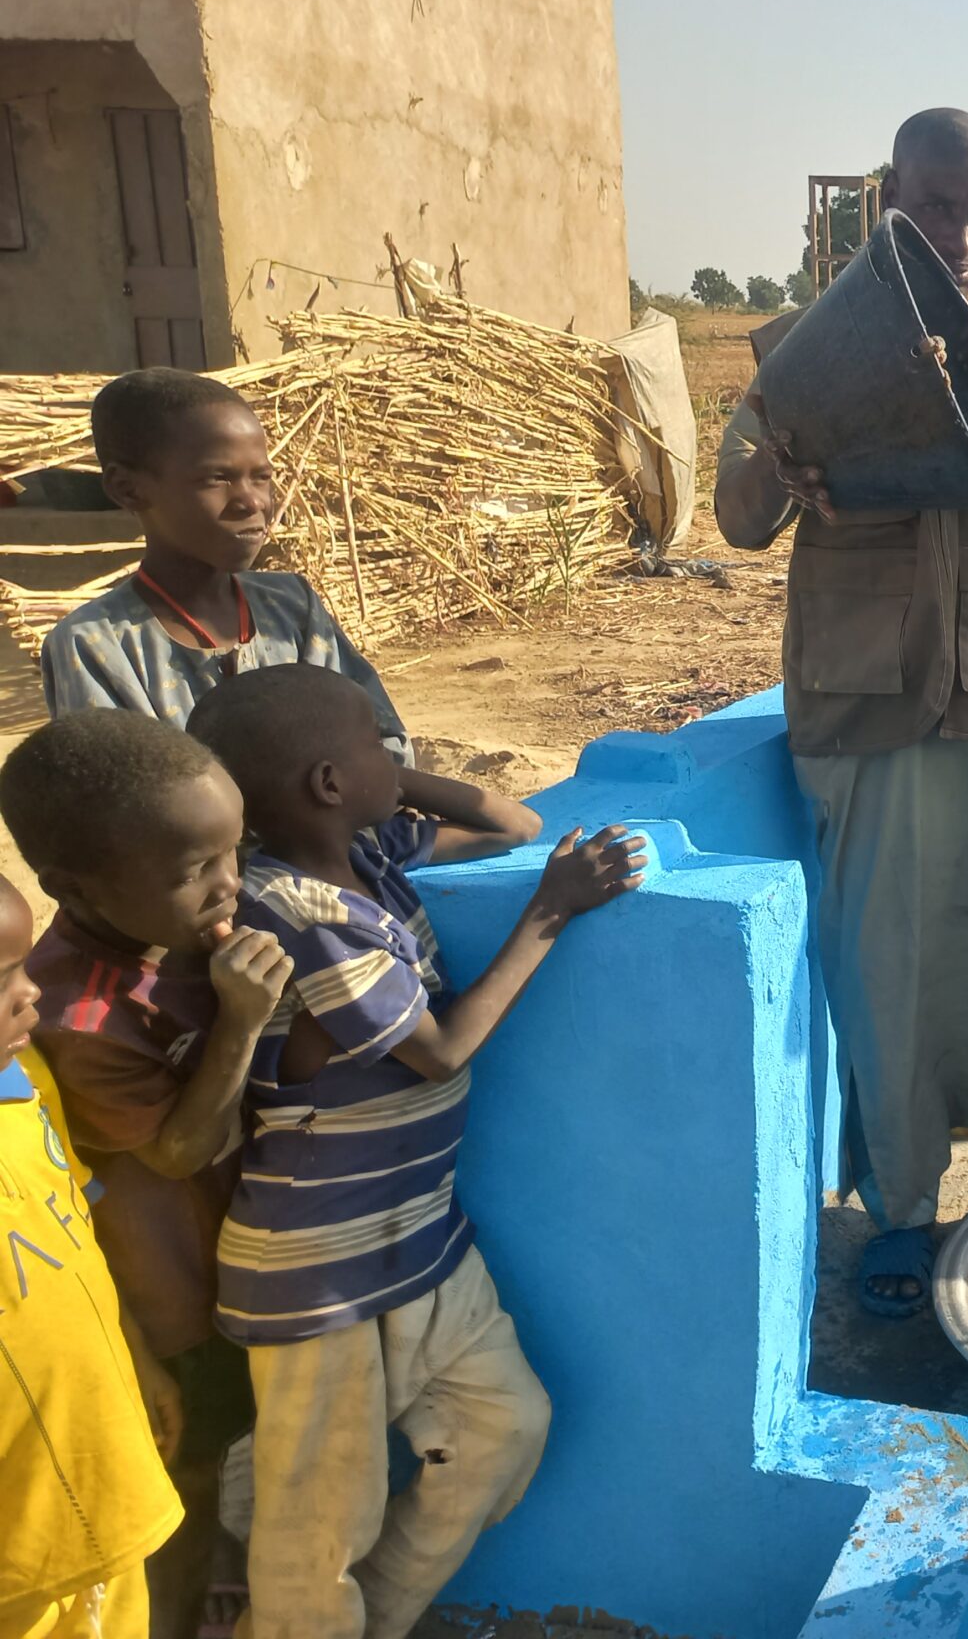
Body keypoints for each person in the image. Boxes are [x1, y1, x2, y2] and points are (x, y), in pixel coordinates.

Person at [714, 108, 968, 1319]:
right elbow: (741, 517)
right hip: (870, 711)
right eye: (937, 207)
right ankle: (900, 1212)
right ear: (892, 196)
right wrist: (777, 462)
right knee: (882, 969)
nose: (960, 236)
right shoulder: (803, 344)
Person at [184, 666, 646, 1639]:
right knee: (320, 1528)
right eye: (374, 738)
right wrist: (551, 912)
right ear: (322, 782)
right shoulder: (296, 913)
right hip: (316, 1270)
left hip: (418, 1242)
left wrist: (389, 777)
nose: (397, 748)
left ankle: (377, 1617)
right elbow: (436, 1053)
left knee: (501, 1430)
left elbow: (513, 824)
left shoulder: (372, 851)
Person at [0, 713, 294, 1639]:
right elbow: (175, 1152)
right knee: (184, 1492)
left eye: (231, 853)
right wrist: (241, 1023)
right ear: (72, 889)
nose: (228, 886)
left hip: (235, 1275)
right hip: (173, 1308)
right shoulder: (73, 1020)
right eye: (190, 873)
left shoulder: (177, 943)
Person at [0, 865, 186, 1639]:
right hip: (21, 1542)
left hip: (104, 1476)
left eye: (16, 968)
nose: (28, 994)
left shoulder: (24, 1080)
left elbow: (74, 1239)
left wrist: (137, 1360)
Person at [40, 368, 408, 758]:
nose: (252, 502)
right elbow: (127, 800)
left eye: (261, 477)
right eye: (216, 479)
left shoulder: (293, 608)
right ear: (127, 489)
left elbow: (384, 745)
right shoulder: (96, 645)